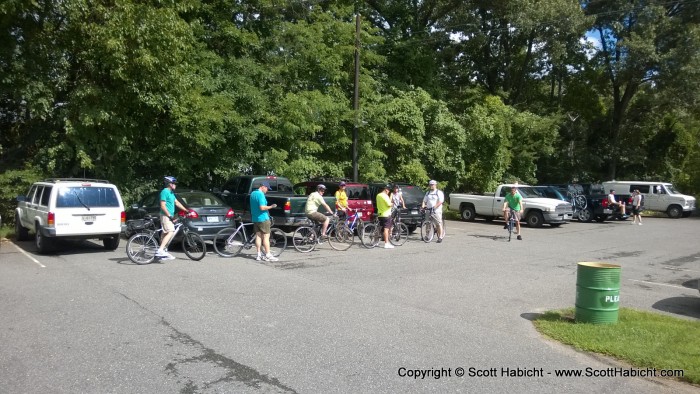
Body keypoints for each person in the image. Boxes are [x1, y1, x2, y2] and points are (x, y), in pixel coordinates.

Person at [157, 176, 188, 260]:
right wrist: (169, 216)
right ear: (169, 184)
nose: (175, 185)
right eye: (174, 183)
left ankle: (162, 252)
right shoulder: (164, 192)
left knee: (165, 233)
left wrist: (186, 210)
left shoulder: (171, 193)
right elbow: (163, 206)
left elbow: (177, 203)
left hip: (169, 215)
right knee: (170, 231)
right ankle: (160, 250)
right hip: (165, 215)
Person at [250, 181, 279, 261]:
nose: (267, 190)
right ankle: (268, 255)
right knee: (266, 237)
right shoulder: (260, 194)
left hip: (255, 218)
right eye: (267, 188)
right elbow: (262, 207)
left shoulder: (253, 194)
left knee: (258, 236)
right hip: (263, 218)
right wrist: (271, 206)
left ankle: (258, 255)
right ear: (263, 186)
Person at [377, 184, 394, 249]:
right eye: (389, 190)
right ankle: (386, 243)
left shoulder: (378, 195)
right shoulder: (385, 196)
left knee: (379, 228)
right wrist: (392, 204)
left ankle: (376, 241)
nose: (389, 191)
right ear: (386, 189)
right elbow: (389, 204)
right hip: (386, 214)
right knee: (386, 229)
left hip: (380, 214)